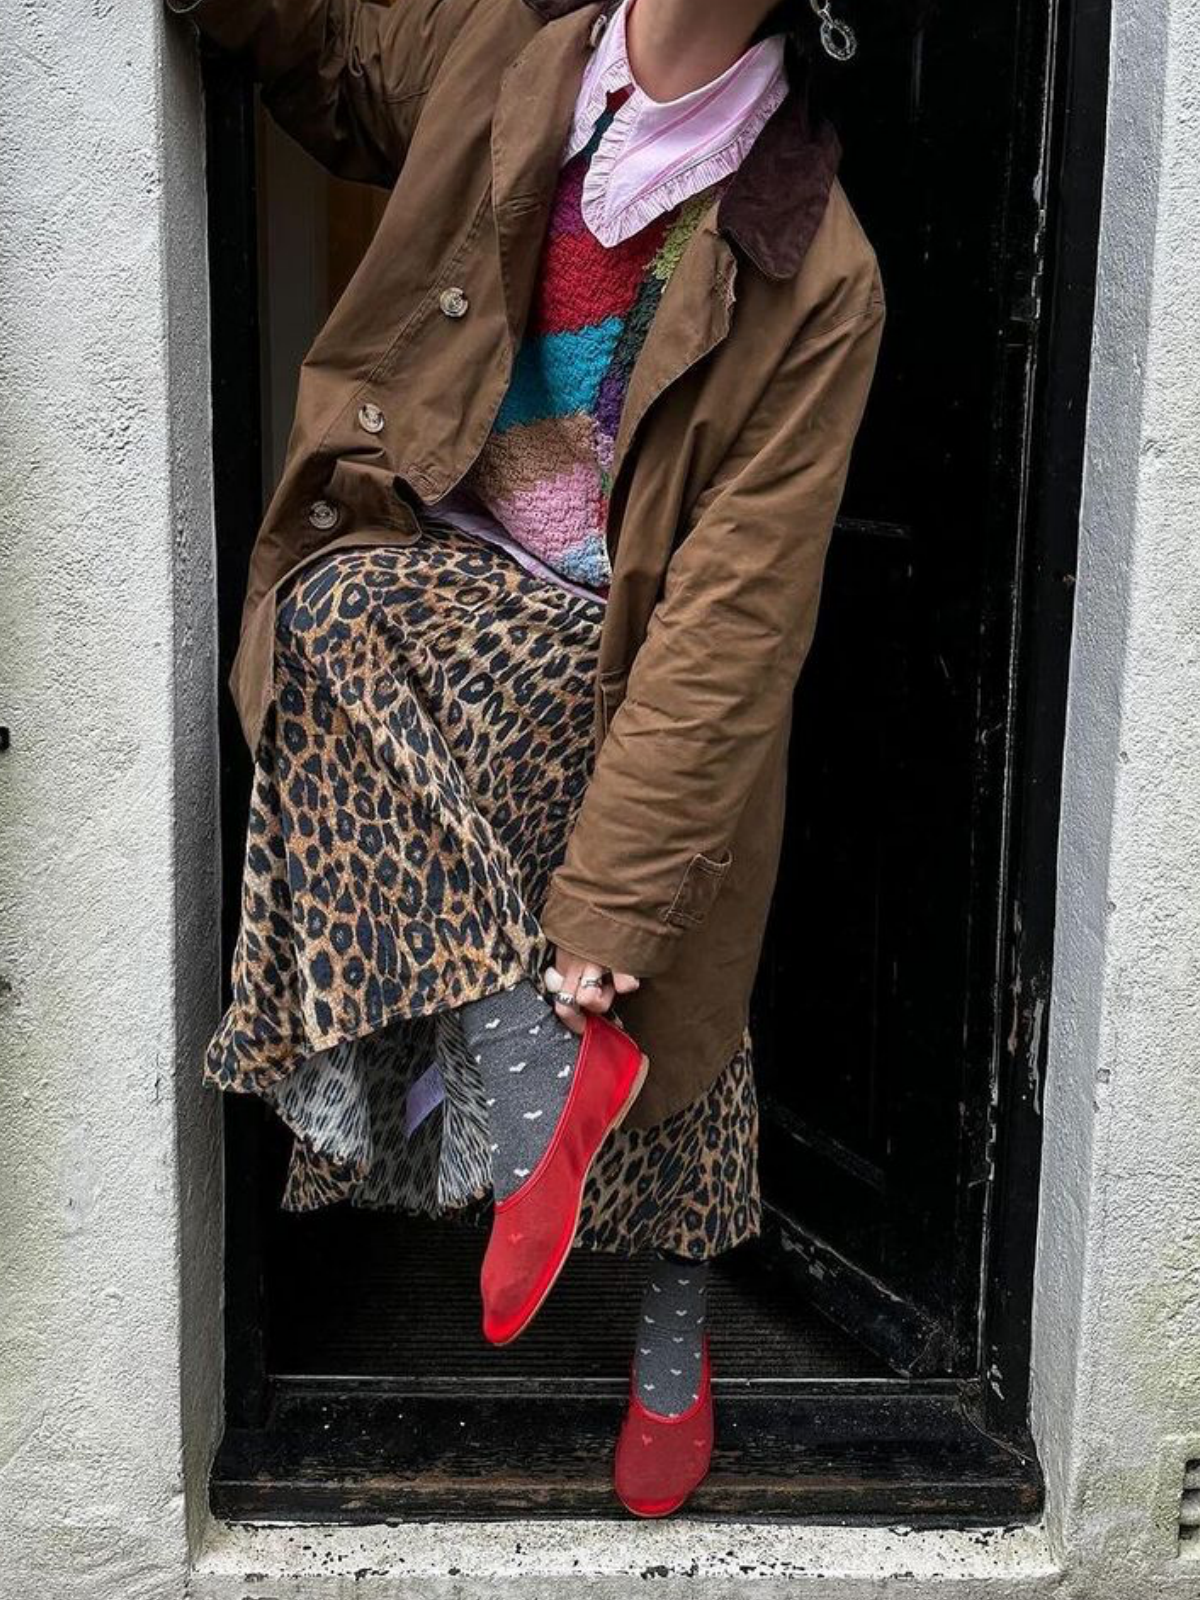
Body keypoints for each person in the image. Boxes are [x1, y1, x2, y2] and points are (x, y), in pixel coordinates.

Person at [168, 0, 883, 1517]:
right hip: (454, 561)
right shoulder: (511, 48)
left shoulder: (818, 268)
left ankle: (670, 1335)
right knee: (335, 610)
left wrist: (617, 912)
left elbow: (732, 627)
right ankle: (530, 1061)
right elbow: (338, 51)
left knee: (673, 965)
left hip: (637, 641)